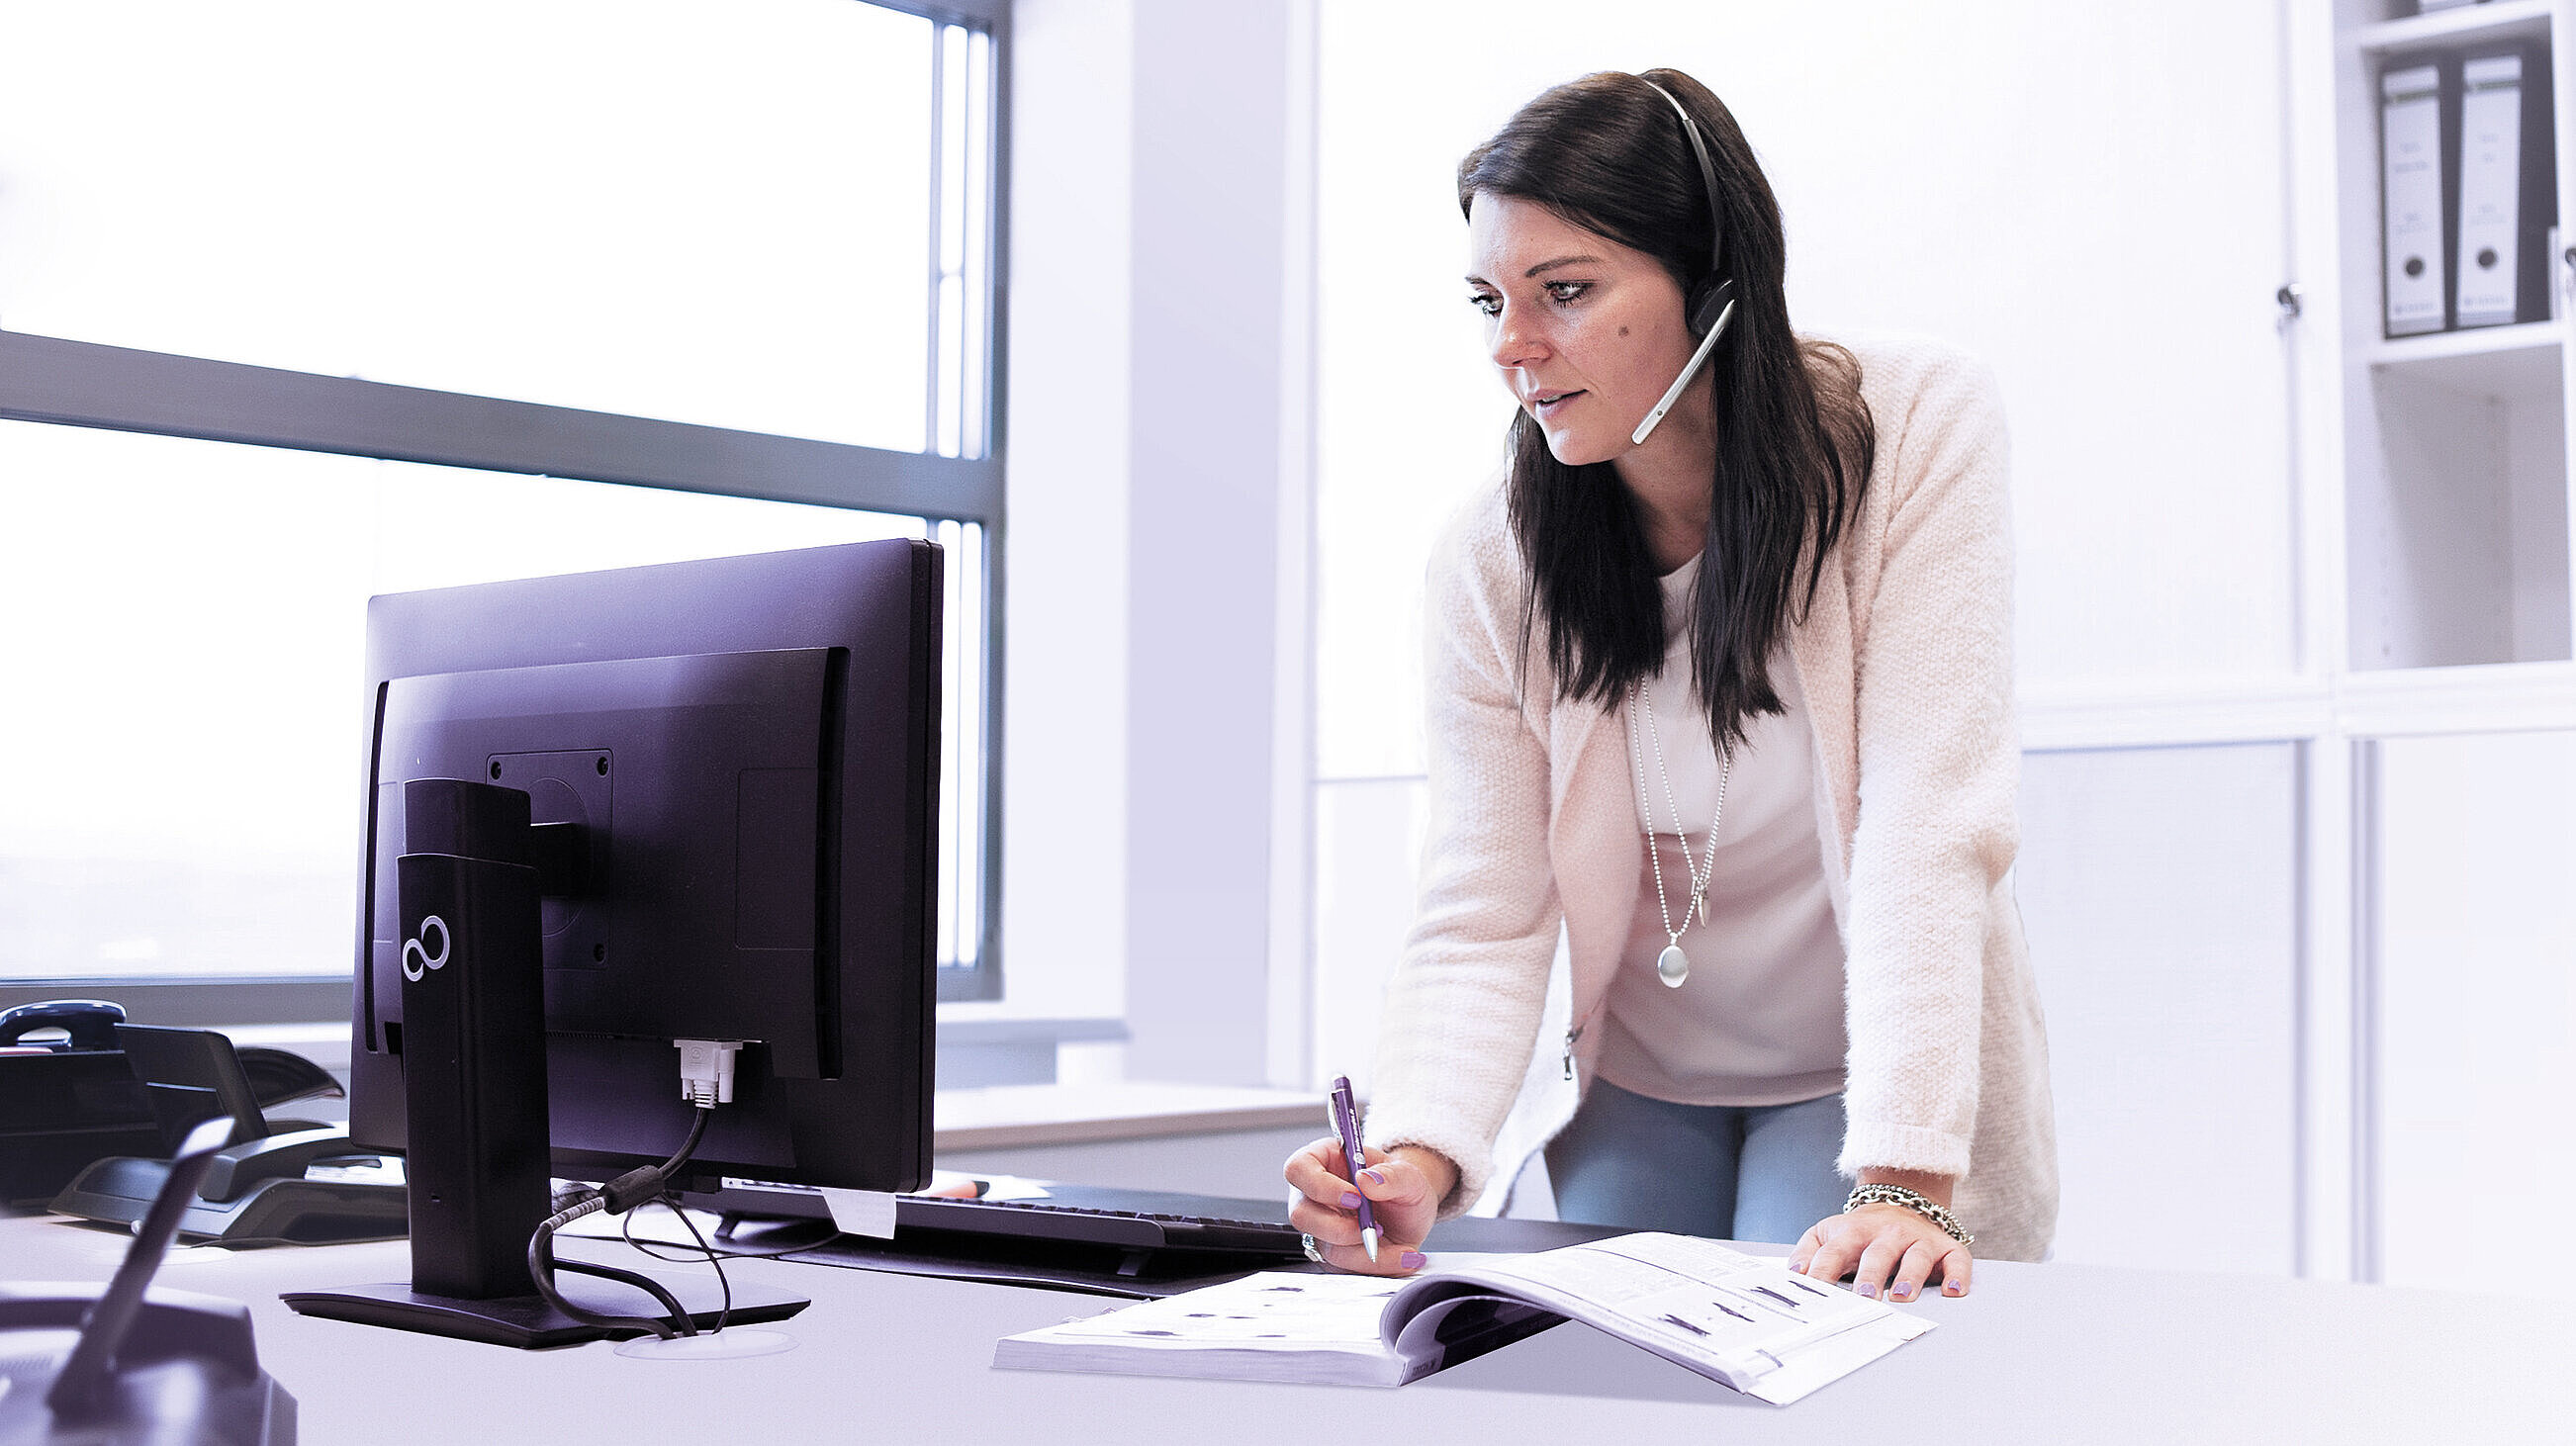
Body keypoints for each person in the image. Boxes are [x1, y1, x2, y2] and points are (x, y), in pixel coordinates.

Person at [1284, 68, 2057, 1305]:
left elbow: (1928, 817)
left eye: (1566, 293)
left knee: (1813, 1342)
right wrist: (1418, 1153)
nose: (1512, 348)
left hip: (1859, 1074)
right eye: (1490, 301)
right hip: (1638, 1076)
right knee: (1613, 1378)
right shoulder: (1493, 559)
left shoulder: (1914, 427)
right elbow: (1484, 901)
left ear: (1710, 279)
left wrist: (1907, 1174)